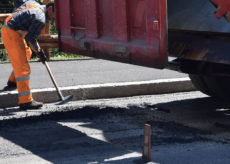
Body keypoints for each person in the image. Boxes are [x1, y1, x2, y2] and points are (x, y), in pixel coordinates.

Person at [1, 1, 55, 109]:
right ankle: (25, 101)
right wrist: (40, 54)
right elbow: (30, 40)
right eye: (55, 14)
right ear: (49, 9)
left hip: (10, 29)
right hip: (12, 33)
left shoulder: (33, 3)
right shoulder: (40, 19)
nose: (54, 18)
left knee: (27, 53)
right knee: (23, 68)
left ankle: (13, 81)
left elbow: (18, 2)